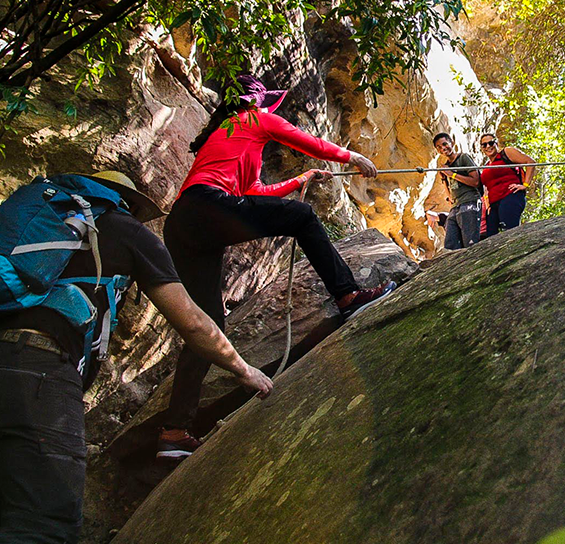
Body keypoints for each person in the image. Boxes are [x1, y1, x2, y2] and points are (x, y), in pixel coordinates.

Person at [0, 170, 272, 544]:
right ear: (126, 203)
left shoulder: (39, 217)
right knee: (44, 525)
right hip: (36, 366)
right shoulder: (125, 229)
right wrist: (243, 369)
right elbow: (195, 323)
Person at [159, 75, 395, 459]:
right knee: (300, 217)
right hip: (207, 209)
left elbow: (254, 192)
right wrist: (350, 157)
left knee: (208, 325)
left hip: (187, 221)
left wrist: (303, 178)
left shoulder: (227, 131)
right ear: (257, 103)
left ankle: (174, 431)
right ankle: (348, 295)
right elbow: (302, 139)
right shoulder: (253, 118)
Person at [425, 132, 482, 250]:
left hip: (469, 201)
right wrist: (444, 177)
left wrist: (452, 174)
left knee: (470, 242)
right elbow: (450, 193)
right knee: (450, 244)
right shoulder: (446, 166)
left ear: (452, 143)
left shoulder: (463, 158)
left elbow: (475, 181)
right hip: (455, 206)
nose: (443, 149)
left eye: (445, 144)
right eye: (439, 147)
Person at [479, 133, 535, 238]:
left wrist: (525, 185)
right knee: (491, 237)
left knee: (509, 232)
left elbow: (530, 162)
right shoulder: (486, 166)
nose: (488, 146)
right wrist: (488, 205)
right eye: (484, 145)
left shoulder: (506, 153)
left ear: (496, 143)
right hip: (494, 204)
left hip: (510, 196)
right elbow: (486, 188)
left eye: (491, 143)